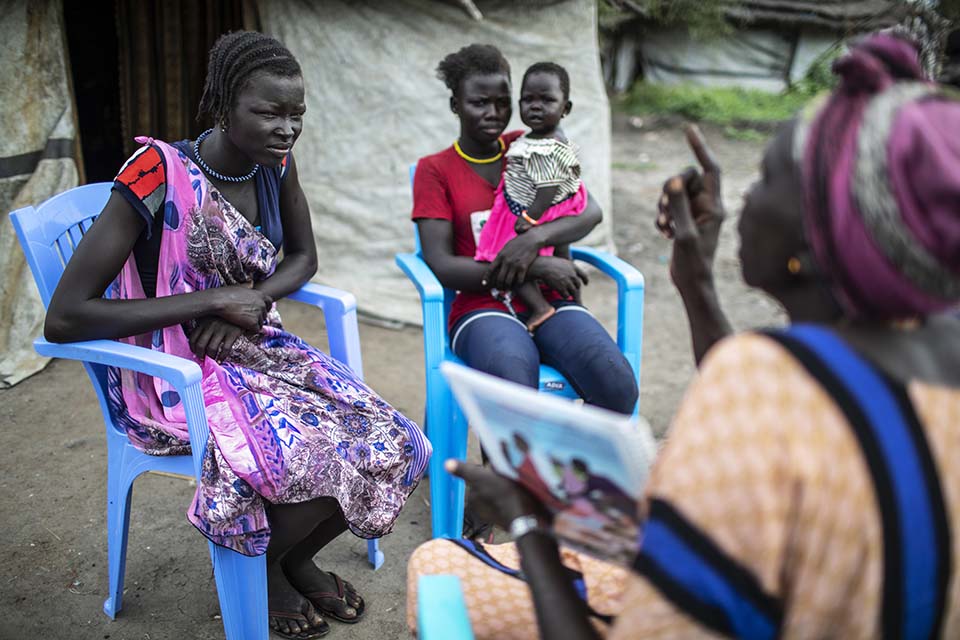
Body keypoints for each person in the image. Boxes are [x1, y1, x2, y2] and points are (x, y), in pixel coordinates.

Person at [407, 33, 960, 639]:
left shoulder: (756, 383)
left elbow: (645, 628)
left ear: (824, 230)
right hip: (488, 305)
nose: (739, 199)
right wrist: (694, 284)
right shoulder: (927, 365)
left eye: (765, 177)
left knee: (433, 567)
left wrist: (527, 530)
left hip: (681, 603)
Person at [44, 31, 430, 640]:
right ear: (223, 106)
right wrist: (213, 301)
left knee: (396, 439)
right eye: (270, 112)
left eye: (296, 113)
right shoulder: (154, 173)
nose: (287, 128)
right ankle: (263, 570)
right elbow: (66, 316)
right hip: (169, 368)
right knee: (308, 447)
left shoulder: (275, 166)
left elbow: (303, 258)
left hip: (252, 346)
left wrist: (249, 302)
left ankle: (288, 558)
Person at [412, 43, 638, 539]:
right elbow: (443, 264)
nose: (493, 113)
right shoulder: (437, 170)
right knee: (514, 377)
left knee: (616, 384)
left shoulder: (531, 146)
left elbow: (589, 212)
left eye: (500, 101)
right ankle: (495, 492)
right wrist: (534, 265)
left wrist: (533, 241)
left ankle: (559, 479)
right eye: (478, 103)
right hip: (481, 304)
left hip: (551, 300)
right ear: (455, 104)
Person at [473, 62, 586, 332]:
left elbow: (547, 186)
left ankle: (540, 307)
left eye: (546, 100)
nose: (535, 106)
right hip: (553, 210)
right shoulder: (540, 138)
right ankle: (574, 301)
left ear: (565, 108)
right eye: (528, 100)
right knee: (562, 256)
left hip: (539, 211)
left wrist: (529, 217)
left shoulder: (545, 146)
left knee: (508, 254)